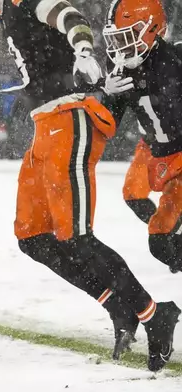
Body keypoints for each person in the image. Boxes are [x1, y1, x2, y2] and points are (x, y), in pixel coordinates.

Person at [0, 0, 178, 371]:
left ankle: (153, 313)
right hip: (45, 124)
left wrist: (82, 50)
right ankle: (116, 303)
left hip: (68, 119)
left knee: (77, 236)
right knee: (33, 237)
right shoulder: (7, 15)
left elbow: (69, 15)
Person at [101, 1, 182, 355]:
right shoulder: (120, 65)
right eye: (116, 39)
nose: (120, 47)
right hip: (153, 149)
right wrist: (104, 94)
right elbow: (109, 120)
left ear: (152, 28)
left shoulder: (176, 61)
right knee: (138, 203)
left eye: (127, 36)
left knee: (160, 239)